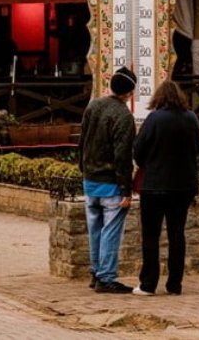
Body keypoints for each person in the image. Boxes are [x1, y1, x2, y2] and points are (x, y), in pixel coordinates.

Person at [132, 80, 199, 296]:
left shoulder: (154, 118)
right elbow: (197, 148)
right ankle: (175, 284)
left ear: (159, 97)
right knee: (177, 234)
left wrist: (148, 164)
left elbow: (138, 149)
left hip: (154, 185)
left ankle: (148, 284)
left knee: (151, 236)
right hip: (183, 185)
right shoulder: (191, 118)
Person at [78, 66, 137, 294]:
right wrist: (126, 189)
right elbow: (122, 156)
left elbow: (82, 141)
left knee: (95, 230)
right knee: (111, 231)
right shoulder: (123, 116)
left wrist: (83, 169)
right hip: (111, 183)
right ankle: (106, 276)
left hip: (90, 179)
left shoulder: (93, 106)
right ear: (130, 92)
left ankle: (96, 271)